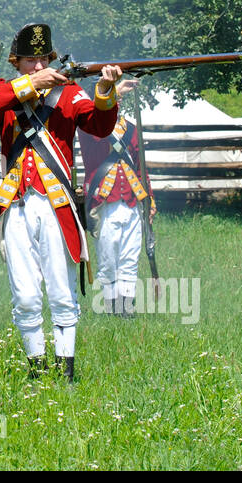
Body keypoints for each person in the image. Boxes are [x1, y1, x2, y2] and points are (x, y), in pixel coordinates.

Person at [0, 22, 121, 381]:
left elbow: (99, 126)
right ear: (17, 62)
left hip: (56, 207)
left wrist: (104, 89)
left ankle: (66, 373)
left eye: (42, 60)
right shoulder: (7, 91)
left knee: (61, 293)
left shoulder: (69, 94)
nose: (37, 67)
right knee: (25, 297)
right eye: (29, 61)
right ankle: (37, 374)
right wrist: (30, 86)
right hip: (16, 206)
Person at [78, 77, 154, 317]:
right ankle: (111, 311)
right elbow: (101, 128)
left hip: (132, 200)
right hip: (104, 203)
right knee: (109, 262)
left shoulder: (131, 128)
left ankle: (126, 312)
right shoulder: (89, 128)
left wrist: (149, 199)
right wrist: (115, 93)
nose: (115, 99)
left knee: (130, 259)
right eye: (110, 95)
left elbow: (141, 168)